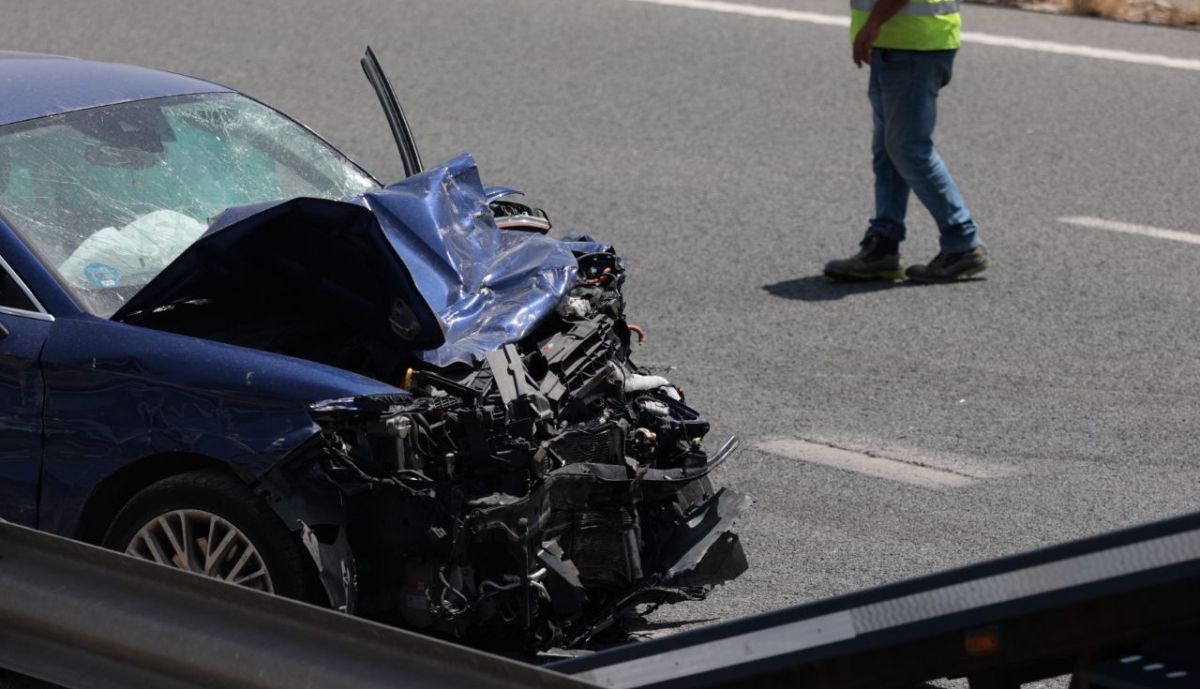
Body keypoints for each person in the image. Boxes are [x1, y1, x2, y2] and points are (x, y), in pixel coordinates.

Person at [824, 0, 987, 283]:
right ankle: (883, 244)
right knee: (888, 149)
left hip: (915, 45)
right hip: (896, 42)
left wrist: (873, 24)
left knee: (907, 147)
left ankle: (962, 242)